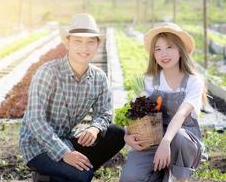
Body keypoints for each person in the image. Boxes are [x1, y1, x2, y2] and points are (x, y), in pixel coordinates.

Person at [19, 13, 125, 182]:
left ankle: (65, 173)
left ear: (98, 44)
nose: (85, 48)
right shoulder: (48, 72)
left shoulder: (98, 78)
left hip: (66, 138)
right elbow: (34, 120)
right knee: (81, 175)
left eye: (90, 41)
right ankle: (58, 175)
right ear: (67, 42)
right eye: (78, 41)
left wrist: (94, 129)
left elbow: (105, 113)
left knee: (117, 133)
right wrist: (65, 153)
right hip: (36, 145)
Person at [120, 23, 207, 182]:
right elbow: (139, 115)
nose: (163, 54)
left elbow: (181, 114)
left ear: (181, 50)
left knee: (178, 137)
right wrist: (127, 135)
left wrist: (165, 142)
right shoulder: (150, 80)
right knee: (130, 177)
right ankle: (159, 174)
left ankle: (179, 178)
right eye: (158, 49)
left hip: (183, 141)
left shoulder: (193, 82)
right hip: (153, 138)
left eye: (169, 47)